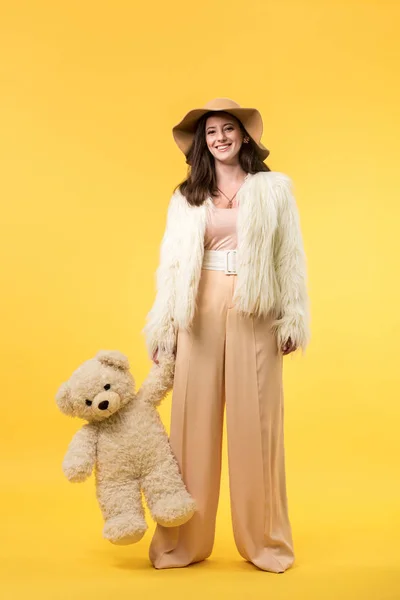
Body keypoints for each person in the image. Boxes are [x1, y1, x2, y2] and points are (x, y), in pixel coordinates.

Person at [142, 97, 310, 573]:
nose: (220, 137)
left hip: (258, 307)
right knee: (192, 424)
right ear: (203, 142)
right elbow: (172, 265)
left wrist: (292, 315)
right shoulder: (186, 196)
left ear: (244, 136)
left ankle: (266, 543)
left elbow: (290, 256)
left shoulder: (274, 190)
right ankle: (183, 542)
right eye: (211, 131)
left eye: (228, 128)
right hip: (199, 307)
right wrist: (163, 326)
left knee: (257, 425)